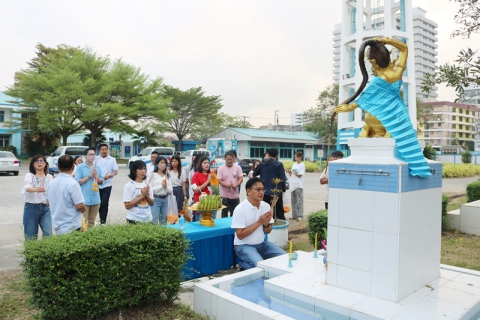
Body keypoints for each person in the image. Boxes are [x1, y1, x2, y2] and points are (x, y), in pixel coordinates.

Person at [333, 37, 431, 177]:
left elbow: (363, 98)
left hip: (390, 117)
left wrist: (348, 108)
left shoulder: (378, 81)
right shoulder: (397, 73)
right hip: (394, 114)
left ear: (374, 63)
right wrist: (386, 40)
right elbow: (404, 49)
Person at [231, 177, 286, 270]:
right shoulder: (240, 209)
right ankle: (243, 264)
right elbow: (240, 235)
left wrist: (266, 224)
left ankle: (250, 263)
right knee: (261, 266)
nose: (261, 192)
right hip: (244, 246)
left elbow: (268, 231)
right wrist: (259, 222)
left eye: (263, 189)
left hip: (262, 244)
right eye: (258, 189)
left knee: (285, 258)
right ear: (248, 191)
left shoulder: (266, 206)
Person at [46, 155, 86, 235]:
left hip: (58, 225)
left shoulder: (51, 183)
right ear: (73, 167)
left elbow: (48, 203)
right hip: (72, 226)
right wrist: (84, 209)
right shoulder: (73, 184)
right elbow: (79, 206)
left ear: (58, 167)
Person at [21, 155, 53, 240]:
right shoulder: (29, 175)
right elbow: (27, 188)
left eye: (41, 161)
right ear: (32, 165)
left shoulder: (50, 177)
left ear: (45, 163)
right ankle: (31, 253)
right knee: (31, 236)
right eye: (36, 161)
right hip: (31, 207)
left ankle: (46, 253)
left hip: (46, 208)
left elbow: (52, 191)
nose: (39, 163)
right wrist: (35, 189)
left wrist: (50, 200)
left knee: (48, 234)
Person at [252, 148, 288, 221]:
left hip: (264, 192)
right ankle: (280, 228)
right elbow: (283, 179)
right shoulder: (278, 164)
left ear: (268, 154)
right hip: (276, 191)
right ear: (277, 155)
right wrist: (283, 189)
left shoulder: (262, 163)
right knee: (279, 212)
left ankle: (266, 227)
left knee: (265, 211)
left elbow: (254, 173)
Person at [75, 147, 104, 229]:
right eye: (90, 154)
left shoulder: (97, 167)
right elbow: (77, 181)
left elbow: (102, 181)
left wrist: (97, 178)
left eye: (94, 154)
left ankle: (90, 238)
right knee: (84, 222)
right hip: (84, 199)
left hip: (96, 199)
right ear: (85, 156)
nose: (92, 156)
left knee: (91, 222)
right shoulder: (80, 167)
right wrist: (89, 176)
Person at [96, 144, 119, 224]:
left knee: (105, 202)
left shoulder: (112, 160)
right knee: (99, 202)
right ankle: (100, 218)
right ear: (99, 150)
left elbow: (115, 171)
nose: (104, 151)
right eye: (102, 149)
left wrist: (110, 175)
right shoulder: (95, 159)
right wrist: (97, 178)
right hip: (97, 184)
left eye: (105, 149)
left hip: (107, 184)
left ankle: (103, 222)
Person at [217, 151, 243, 218]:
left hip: (235, 195)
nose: (229, 161)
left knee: (235, 214)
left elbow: (241, 178)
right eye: (227, 159)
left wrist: (236, 185)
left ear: (233, 159)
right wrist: (226, 185)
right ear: (225, 159)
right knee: (224, 213)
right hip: (224, 195)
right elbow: (219, 180)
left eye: (230, 159)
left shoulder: (238, 167)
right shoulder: (221, 168)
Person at [150, 156, 173, 224]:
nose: (163, 164)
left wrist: (165, 187)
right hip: (155, 199)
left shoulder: (167, 176)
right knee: (154, 220)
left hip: (165, 200)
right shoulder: (152, 175)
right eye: (161, 162)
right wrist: (161, 186)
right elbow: (150, 189)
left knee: (164, 221)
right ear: (157, 164)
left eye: (165, 163)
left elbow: (171, 191)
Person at [191, 155, 214, 221]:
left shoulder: (211, 174)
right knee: (201, 223)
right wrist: (207, 181)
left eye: (208, 163)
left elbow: (216, 188)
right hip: (200, 203)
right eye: (204, 163)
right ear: (200, 164)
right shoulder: (196, 175)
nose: (207, 165)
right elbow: (196, 190)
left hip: (211, 203)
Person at [286, 151, 305, 221]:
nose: (296, 158)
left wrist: (293, 173)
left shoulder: (302, 165)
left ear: (300, 157)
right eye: (295, 157)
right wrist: (289, 172)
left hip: (299, 185)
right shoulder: (294, 164)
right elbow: (292, 174)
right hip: (293, 184)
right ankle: (294, 215)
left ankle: (300, 215)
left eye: (297, 157)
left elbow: (300, 175)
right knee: (293, 200)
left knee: (299, 200)